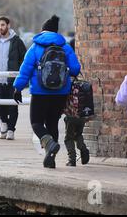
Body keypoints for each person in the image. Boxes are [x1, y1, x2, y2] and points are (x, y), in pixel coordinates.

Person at [13, 15, 81, 168]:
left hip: (39, 92)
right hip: (61, 92)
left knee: (36, 123)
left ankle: (48, 143)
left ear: (42, 30)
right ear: (56, 32)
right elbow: (76, 69)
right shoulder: (65, 46)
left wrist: (18, 87)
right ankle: (50, 158)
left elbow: (25, 69)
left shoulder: (35, 46)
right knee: (52, 123)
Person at [0, 16, 27, 140]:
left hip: (13, 79)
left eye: (2, 25)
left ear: (8, 25)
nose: (0, 28)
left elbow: (24, 58)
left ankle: (11, 129)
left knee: (13, 105)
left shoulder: (16, 41)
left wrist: (20, 74)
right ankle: (4, 124)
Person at [63, 37, 90, 167]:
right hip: (82, 114)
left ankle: (72, 159)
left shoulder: (66, 81)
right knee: (78, 135)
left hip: (71, 114)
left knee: (68, 138)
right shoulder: (81, 82)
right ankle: (84, 150)